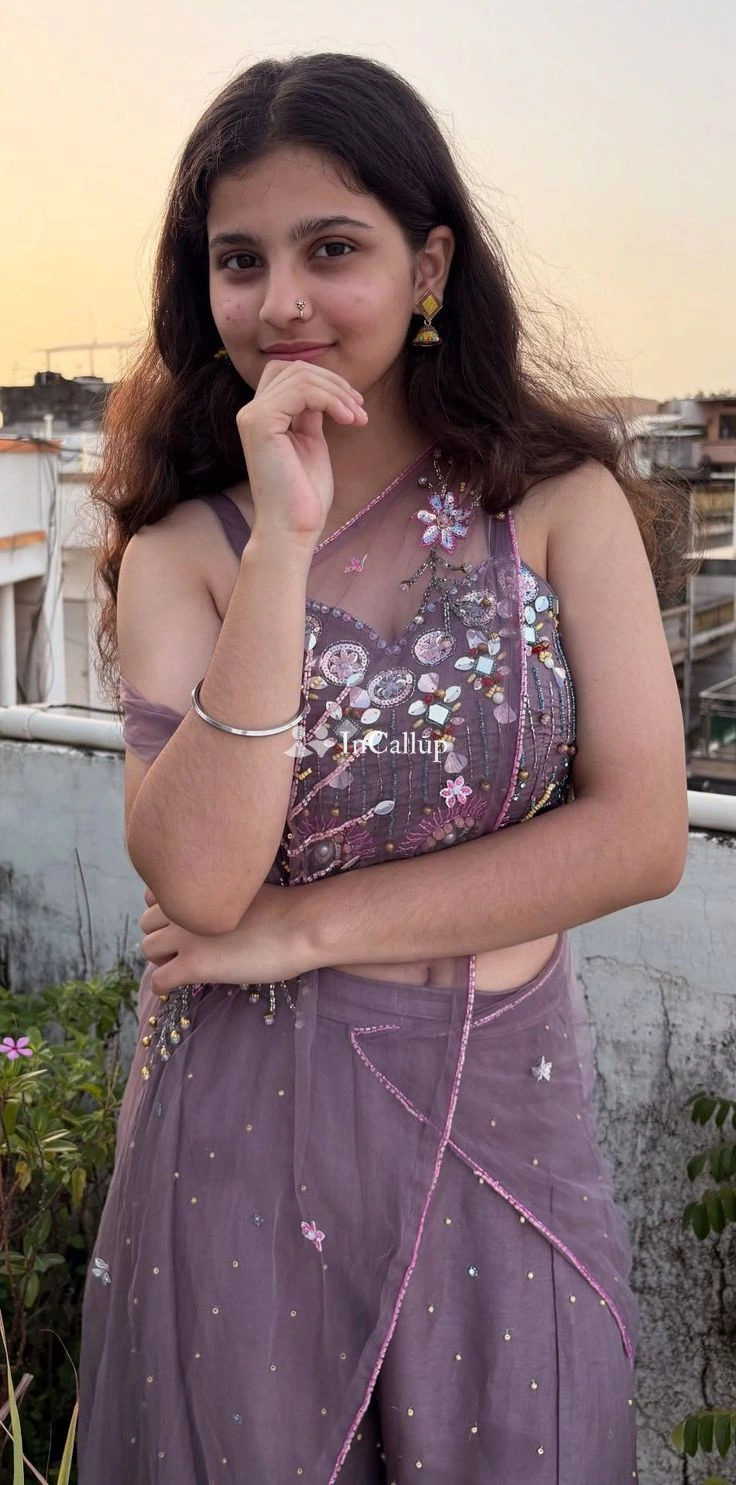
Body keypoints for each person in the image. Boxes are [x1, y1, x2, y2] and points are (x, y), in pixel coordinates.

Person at [78, 51, 690, 1484]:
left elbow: (641, 834)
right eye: (241, 260)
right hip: (243, 1140)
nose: (282, 302)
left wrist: (307, 929)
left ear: (430, 266)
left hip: (502, 1112)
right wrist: (282, 542)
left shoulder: (557, 506)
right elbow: (202, 881)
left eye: (332, 249)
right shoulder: (186, 550)